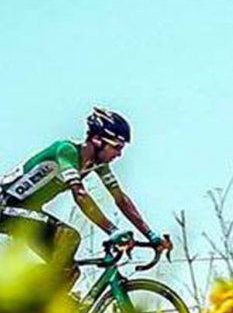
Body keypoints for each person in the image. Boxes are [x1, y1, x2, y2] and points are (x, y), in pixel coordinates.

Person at [0, 107, 168, 287]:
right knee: (69, 236)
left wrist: (150, 234)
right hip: (5, 207)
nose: (119, 154)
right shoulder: (66, 151)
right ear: (97, 140)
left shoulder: (97, 165)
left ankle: (33, 305)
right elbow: (79, 194)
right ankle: (24, 296)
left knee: (69, 271)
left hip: (24, 212)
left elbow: (120, 199)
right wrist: (112, 230)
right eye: (116, 147)